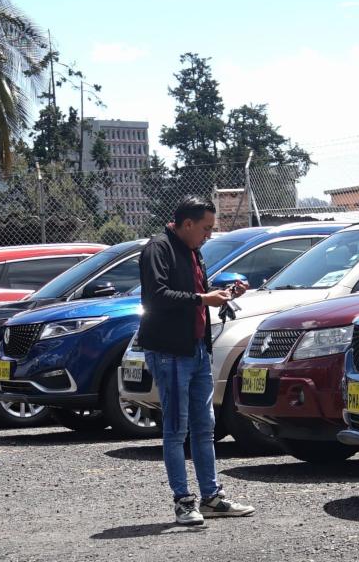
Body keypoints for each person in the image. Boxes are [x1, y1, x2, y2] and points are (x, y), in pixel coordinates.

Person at [136, 196, 256, 526]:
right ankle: (183, 502)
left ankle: (211, 498)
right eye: (205, 229)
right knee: (176, 429)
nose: (208, 236)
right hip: (169, 352)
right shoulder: (158, 248)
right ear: (186, 224)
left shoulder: (192, 250)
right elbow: (157, 297)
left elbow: (195, 294)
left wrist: (224, 293)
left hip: (197, 350)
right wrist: (205, 298)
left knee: (205, 427)